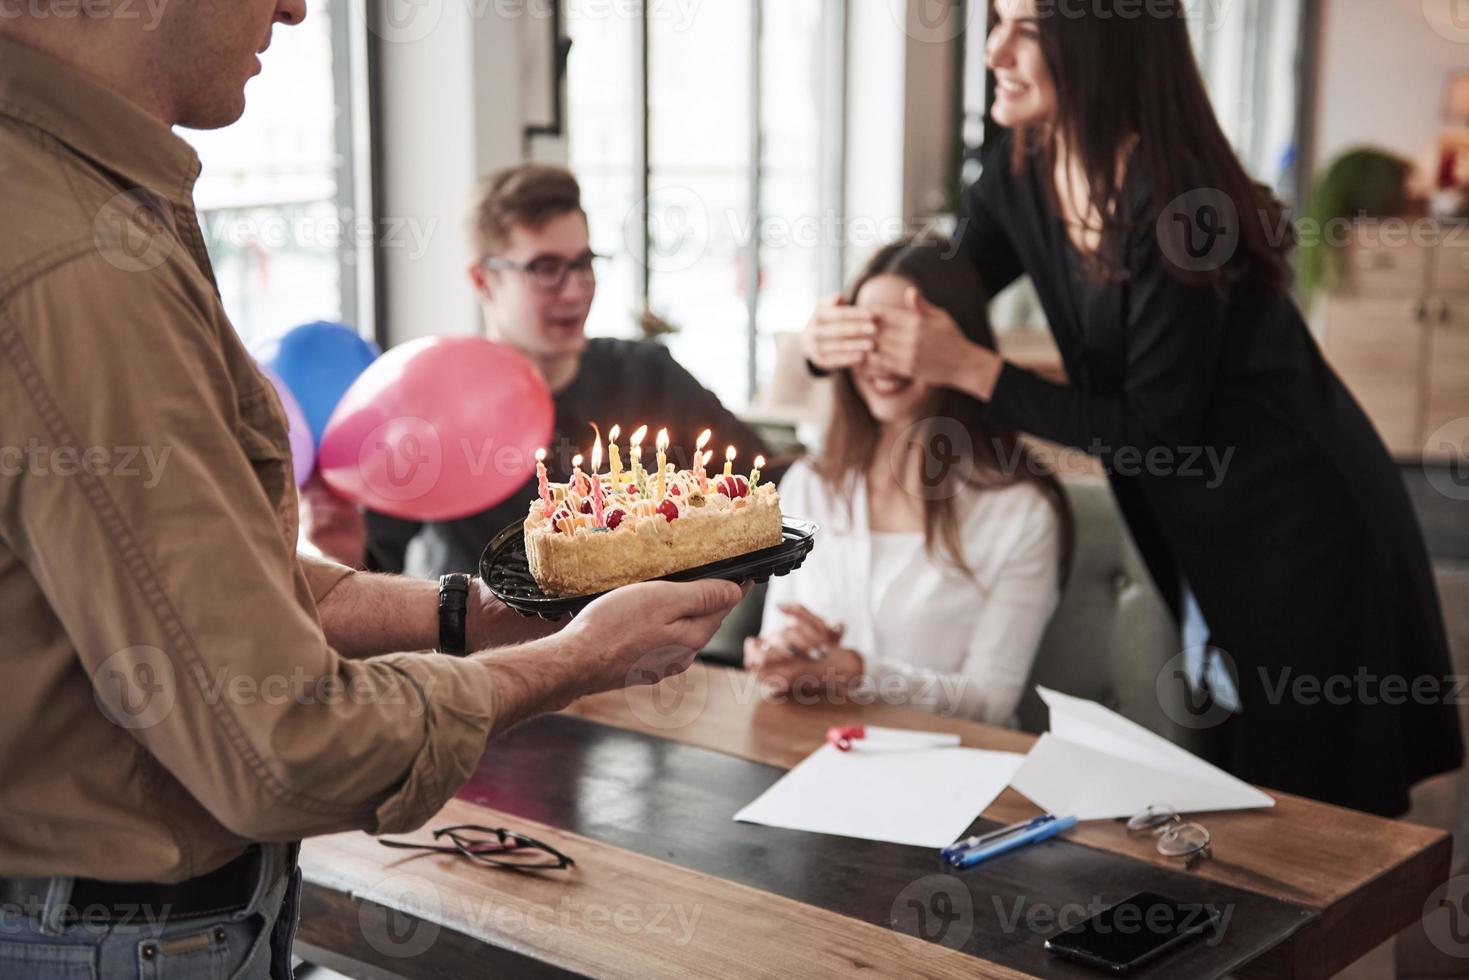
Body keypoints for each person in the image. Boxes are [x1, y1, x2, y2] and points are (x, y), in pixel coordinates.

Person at [0, 6, 744, 977]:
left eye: (583, 264)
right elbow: (284, 745)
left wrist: (478, 615)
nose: (296, 6)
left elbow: (217, 598)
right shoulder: (74, 263)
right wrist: (573, 658)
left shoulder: (93, 208)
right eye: (542, 266)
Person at [804, 0, 1462, 816]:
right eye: (995, 19)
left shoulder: (1178, 204)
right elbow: (943, 282)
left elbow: (1153, 430)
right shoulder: (1022, 169)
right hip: (1197, 520)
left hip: (1299, 522)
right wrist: (833, 332)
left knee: (1319, 819)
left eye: (1027, 29)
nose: (994, 50)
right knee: (1242, 796)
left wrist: (973, 369)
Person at [346, 165, 774, 579]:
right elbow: (368, 563)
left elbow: (764, 482)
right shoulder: (436, 403)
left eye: (583, 263)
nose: (575, 291)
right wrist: (338, 547)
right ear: (482, 281)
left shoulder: (647, 375)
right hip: (488, 651)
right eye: (546, 269)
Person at [747, 237, 1071, 724]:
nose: (881, 356)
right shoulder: (810, 485)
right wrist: (782, 656)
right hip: (816, 756)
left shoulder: (1019, 510)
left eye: (903, 334)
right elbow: (778, 648)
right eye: (866, 332)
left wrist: (857, 672)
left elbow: (990, 702)